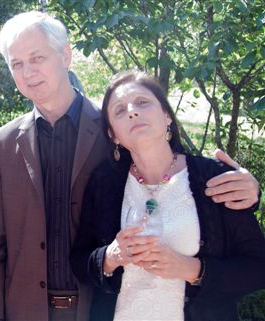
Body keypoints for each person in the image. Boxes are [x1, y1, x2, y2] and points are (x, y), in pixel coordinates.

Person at [0, 11, 261, 321]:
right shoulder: (1, 143)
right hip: (28, 309)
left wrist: (249, 188)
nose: (28, 71)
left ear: (65, 55)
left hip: (95, 307)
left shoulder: (113, 127)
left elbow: (177, 172)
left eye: (37, 57)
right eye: (16, 64)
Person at [70, 70, 265, 320]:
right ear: (113, 135)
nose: (132, 111)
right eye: (120, 111)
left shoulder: (212, 178)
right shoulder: (104, 183)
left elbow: (258, 267)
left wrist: (194, 270)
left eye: (142, 102)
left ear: (166, 116)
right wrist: (111, 256)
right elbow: (79, 260)